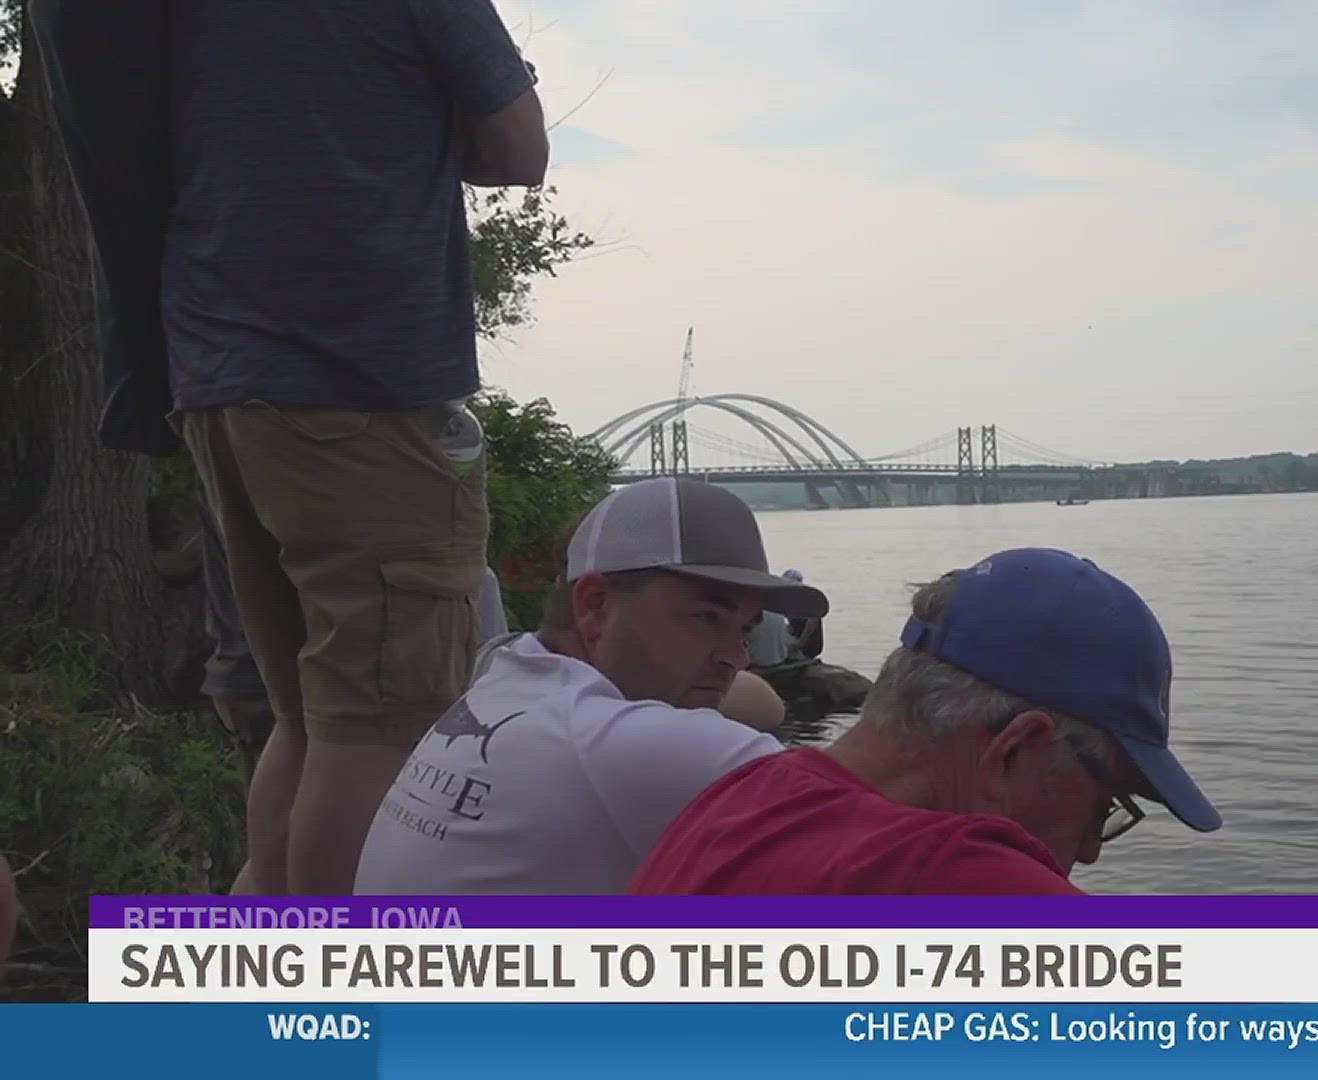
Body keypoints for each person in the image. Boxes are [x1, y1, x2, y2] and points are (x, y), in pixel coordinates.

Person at [157, 1, 549, 894]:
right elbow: (518, 149)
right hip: (358, 394)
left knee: (310, 719)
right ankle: (341, 1006)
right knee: (383, 727)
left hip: (222, 386)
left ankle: (266, 997)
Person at [627, 547, 1221, 895]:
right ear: (1016, 750)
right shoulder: (967, 883)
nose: (1090, 850)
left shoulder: (736, 800)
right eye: (1105, 803)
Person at [353, 478, 828, 895]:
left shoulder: (507, 676)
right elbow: (881, 828)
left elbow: (759, 705)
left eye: (744, 630)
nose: (737, 657)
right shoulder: (617, 740)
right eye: (708, 617)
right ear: (596, 605)